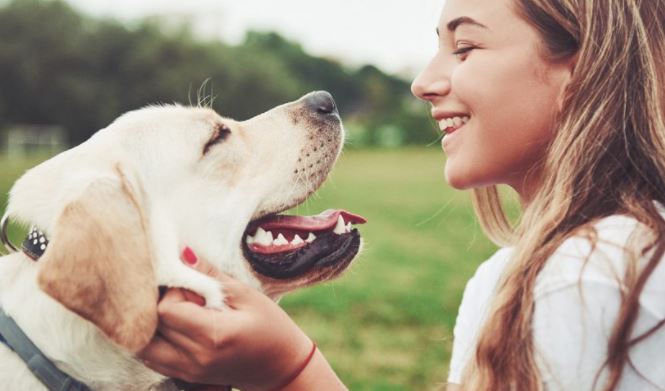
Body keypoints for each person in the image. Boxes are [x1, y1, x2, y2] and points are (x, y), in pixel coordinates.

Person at [139, 0, 665, 389]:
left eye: (465, 48)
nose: (422, 82)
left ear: (585, 67)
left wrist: (288, 369)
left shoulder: (588, 274)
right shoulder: (521, 273)